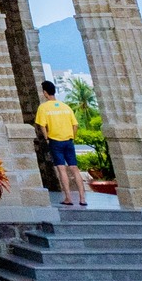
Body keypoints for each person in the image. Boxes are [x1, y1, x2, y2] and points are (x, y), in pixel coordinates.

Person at [35, 79, 89, 208]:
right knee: (75, 168)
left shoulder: (44, 107)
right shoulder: (65, 106)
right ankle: (82, 198)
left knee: (61, 169)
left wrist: (47, 137)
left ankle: (68, 197)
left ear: (45, 93)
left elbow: (42, 125)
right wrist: (73, 136)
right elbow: (75, 125)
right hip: (68, 140)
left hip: (55, 141)